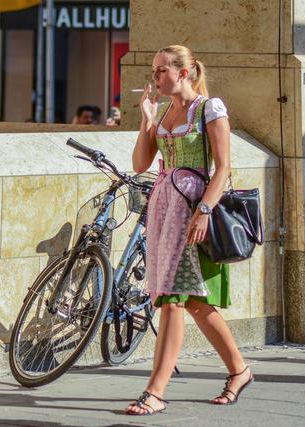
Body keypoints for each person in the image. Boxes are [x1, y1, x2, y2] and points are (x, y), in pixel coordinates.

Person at [126, 45, 253, 415]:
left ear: (184, 72)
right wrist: (147, 120)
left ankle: (156, 391)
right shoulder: (164, 110)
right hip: (166, 208)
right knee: (195, 303)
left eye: (162, 70)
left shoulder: (209, 108)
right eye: (154, 70)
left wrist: (204, 211)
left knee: (173, 298)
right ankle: (239, 370)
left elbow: (224, 167)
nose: (155, 76)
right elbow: (140, 164)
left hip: (194, 208)